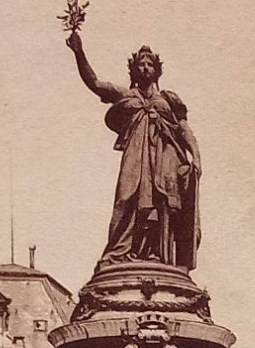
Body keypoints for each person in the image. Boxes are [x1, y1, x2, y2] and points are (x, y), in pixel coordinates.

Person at [66, 30, 201, 270]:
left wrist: (196, 156)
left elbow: (184, 130)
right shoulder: (126, 94)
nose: (146, 67)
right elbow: (95, 83)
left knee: (162, 204)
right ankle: (120, 251)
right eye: (141, 64)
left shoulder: (168, 99)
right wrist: (79, 52)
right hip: (135, 158)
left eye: (150, 64)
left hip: (164, 158)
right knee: (126, 198)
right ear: (134, 70)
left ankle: (156, 254)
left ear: (157, 70)